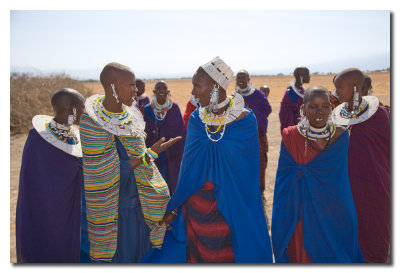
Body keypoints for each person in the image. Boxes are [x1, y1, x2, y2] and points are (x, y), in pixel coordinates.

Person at [142, 57, 273, 263]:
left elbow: (247, 173)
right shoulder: (196, 119)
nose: (193, 92)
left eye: (196, 86)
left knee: (230, 253)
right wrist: (175, 206)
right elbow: (189, 169)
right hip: (198, 206)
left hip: (233, 205)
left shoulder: (245, 120)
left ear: (213, 86)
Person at [79, 62, 181, 262]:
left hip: (141, 205)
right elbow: (102, 171)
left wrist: (149, 154)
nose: (136, 90)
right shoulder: (91, 122)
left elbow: (140, 158)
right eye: (131, 85)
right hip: (115, 211)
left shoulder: (130, 117)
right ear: (113, 86)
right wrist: (149, 155)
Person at [272, 86, 364, 263]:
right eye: (313, 106)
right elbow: (284, 181)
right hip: (301, 215)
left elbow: (340, 182)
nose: (320, 111)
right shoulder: (290, 136)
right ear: (303, 109)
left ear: (331, 108)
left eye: (325, 106)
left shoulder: (342, 136)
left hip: (335, 213)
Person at [16, 88, 86, 262]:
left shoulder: (76, 136)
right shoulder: (37, 139)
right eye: (81, 107)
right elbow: (35, 179)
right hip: (46, 209)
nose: (85, 112)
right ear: (71, 109)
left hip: (72, 206)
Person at [333, 68, 390, 263]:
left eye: (340, 88)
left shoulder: (379, 116)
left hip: (374, 186)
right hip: (347, 188)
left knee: (373, 236)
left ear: (356, 88)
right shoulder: (339, 116)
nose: (336, 92)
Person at [143, 81, 186, 194]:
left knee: (172, 178)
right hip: (154, 151)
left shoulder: (174, 108)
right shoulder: (148, 109)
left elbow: (180, 130)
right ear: (154, 92)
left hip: (172, 153)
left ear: (168, 92)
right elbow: (145, 131)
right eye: (158, 88)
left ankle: (171, 205)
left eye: (164, 88)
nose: (161, 91)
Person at [235, 70, 272, 195]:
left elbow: (267, 109)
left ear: (248, 79)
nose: (240, 80)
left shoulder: (258, 94)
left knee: (259, 163)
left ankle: (258, 191)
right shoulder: (233, 97)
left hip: (257, 135)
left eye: (243, 77)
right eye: (238, 77)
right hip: (240, 138)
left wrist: (253, 117)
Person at [279, 67, 310, 133]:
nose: (309, 77)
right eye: (307, 74)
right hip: (294, 130)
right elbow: (285, 114)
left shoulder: (304, 91)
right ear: (300, 76)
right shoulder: (290, 93)